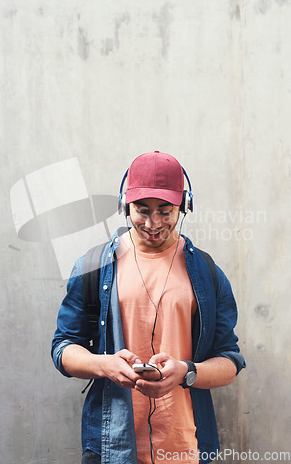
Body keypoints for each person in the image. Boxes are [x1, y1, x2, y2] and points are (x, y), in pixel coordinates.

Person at [51, 151, 246, 464]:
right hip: (111, 448)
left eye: (165, 211)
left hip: (186, 448)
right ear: (124, 206)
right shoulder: (92, 267)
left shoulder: (207, 273)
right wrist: (104, 365)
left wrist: (186, 372)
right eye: (142, 211)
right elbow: (63, 348)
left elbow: (230, 361)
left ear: (184, 206)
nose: (153, 223)